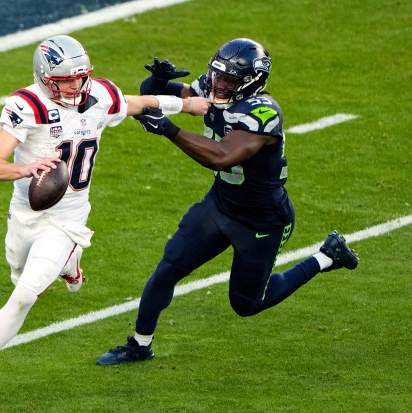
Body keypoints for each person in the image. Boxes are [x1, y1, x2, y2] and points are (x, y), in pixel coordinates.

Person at [0, 34, 211, 404]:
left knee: (23, 296)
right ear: (46, 78)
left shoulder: (99, 95)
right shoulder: (26, 104)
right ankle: (71, 266)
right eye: (66, 80)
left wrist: (188, 105)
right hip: (25, 215)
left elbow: (138, 102)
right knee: (17, 271)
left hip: (67, 221)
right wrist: (27, 168)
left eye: (81, 77)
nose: (76, 86)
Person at [96, 38, 359, 365]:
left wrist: (168, 130)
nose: (217, 85)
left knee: (247, 304)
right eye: (216, 76)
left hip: (262, 220)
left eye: (229, 81)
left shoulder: (262, 112)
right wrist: (159, 81)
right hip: (221, 204)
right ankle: (140, 345)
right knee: (168, 267)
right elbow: (159, 98)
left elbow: (223, 156)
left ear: (251, 82)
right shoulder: (212, 84)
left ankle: (327, 256)